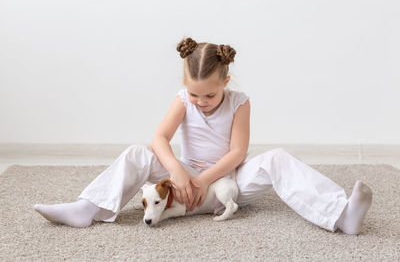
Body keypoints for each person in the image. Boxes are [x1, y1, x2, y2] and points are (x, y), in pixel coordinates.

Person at [34, 37, 373, 235]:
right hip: (186, 172)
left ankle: (340, 214)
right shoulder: (184, 100)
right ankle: (88, 208)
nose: (201, 103)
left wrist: (202, 182)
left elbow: (238, 152)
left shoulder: (240, 102)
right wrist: (179, 172)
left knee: (279, 158)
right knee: (137, 153)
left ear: (225, 83)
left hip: (228, 179)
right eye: (195, 95)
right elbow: (159, 138)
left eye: (209, 97)